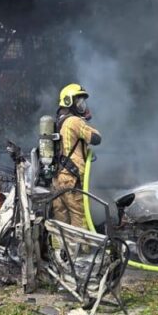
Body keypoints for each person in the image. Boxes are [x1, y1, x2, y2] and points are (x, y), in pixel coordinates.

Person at [51, 83, 101, 227]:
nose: (82, 105)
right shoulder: (74, 121)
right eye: (79, 101)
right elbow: (96, 138)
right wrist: (87, 119)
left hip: (57, 179)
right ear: (69, 101)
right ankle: (80, 250)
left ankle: (60, 249)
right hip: (72, 180)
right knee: (80, 219)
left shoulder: (59, 121)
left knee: (61, 221)